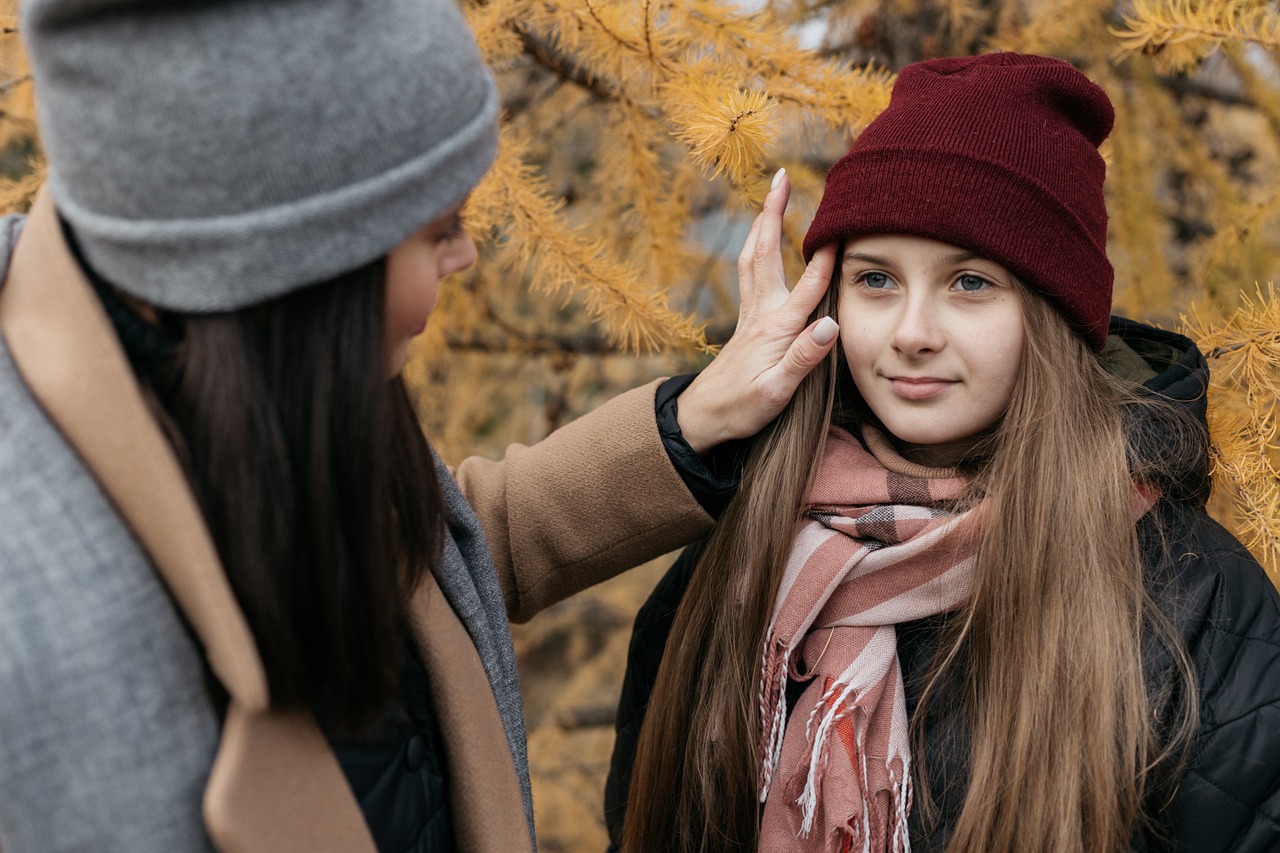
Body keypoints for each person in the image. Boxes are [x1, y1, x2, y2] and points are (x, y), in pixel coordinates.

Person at [0, 1, 841, 851]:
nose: (465, 256)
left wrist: (696, 420)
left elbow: (444, 562)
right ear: (305, 266)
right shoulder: (31, 648)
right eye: (440, 228)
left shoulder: (239, 372)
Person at [609, 53, 1280, 852]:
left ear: (1053, 315)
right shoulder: (743, 543)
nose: (912, 333)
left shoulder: (1193, 596)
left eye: (969, 283)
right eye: (876, 280)